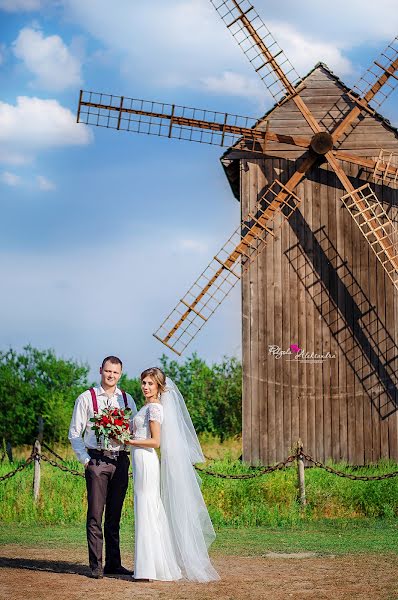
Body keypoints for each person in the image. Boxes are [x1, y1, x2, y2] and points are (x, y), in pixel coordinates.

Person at [124, 367, 219, 582]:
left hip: (146, 459)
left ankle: (148, 568)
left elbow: (155, 442)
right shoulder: (146, 406)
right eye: (143, 383)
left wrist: (129, 441)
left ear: (159, 386)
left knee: (148, 508)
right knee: (146, 508)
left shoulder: (155, 408)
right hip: (140, 460)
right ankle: (154, 566)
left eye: (150, 383)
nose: (145, 387)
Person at [68, 355, 137, 579]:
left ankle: (113, 564)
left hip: (120, 460)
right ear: (101, 370)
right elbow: (75, 433)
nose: (111, 376)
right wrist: (86, 460)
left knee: (114, 516)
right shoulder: (86, 398)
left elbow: (135, 430)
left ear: (120, 374)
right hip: (97, 460)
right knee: (95, 515)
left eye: (116, 372)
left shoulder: (127, 400)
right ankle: (96, 565)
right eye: (108, 371)